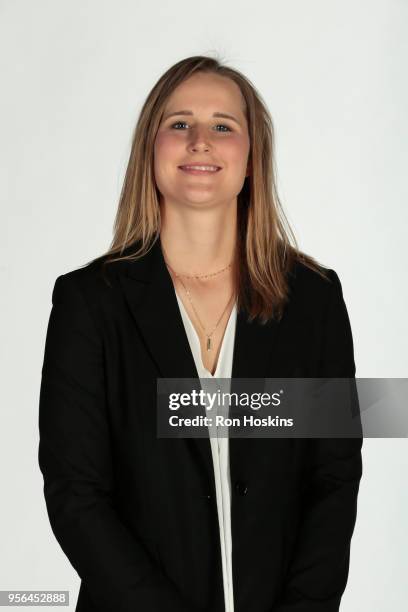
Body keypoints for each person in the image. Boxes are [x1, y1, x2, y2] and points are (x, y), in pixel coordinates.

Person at [38, 55, 363, 612]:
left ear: (251, 157)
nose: (200, 141)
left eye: (223, 125)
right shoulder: (88, 303)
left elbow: (334, 478)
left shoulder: (315, 299)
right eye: (179, 123)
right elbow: (76, 494)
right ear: (151, 148)